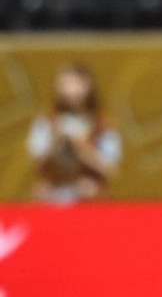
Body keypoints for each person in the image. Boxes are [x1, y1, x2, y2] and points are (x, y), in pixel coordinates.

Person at [26, 63, 122, 204]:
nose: (69, 91)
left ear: (87, 86)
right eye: (64, 85)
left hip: (89, 196)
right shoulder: (48, 121)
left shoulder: (102, 124)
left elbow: (111, 170)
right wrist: (56, 142)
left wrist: (83, 149)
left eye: (74, 85)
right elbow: (37, 162)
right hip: (53, 195)